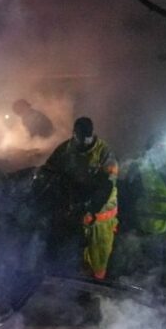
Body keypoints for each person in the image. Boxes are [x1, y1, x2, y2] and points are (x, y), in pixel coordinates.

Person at [42, 117, 119, 279]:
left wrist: (91, 208)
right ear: (74, 134)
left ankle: (98, 289)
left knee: (99, 257)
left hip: (100, 217)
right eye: (80, 138)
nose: (84, 142)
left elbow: (108, 185)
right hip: (76, 212)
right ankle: (76, 287)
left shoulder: (104, 152)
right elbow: (48, 171)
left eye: (88, 138)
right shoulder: (65, 149)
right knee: (75, 256)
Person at [112, 133, 166, 291]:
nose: (161, 148)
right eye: (157, 145)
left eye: (164, 144)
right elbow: (129, 197)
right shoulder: (140, 167)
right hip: (151, 229)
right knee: (151, 271)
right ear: (150, 148)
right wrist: (130, 226)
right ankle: (150, 299)